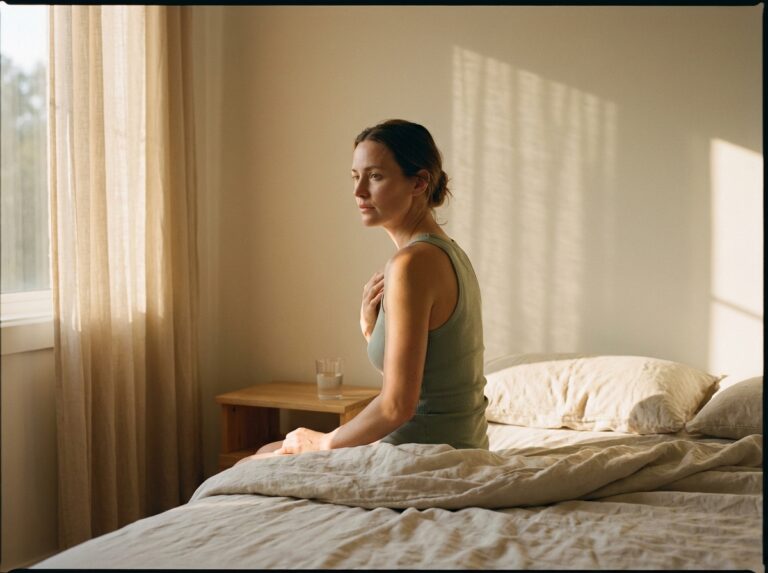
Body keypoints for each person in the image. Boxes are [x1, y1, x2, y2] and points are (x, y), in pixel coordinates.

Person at [247, 119, 488, 460]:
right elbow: (428, 380)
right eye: (355, 177)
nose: (359, 191)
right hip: (456, 447)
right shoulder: (447, 252)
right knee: (267, 450)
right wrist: (372, 331)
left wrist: (324, 441)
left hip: (422, 456)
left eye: (375, 176)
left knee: (252, 462)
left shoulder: (412, 263)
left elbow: (397, 408)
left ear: (418, 182)